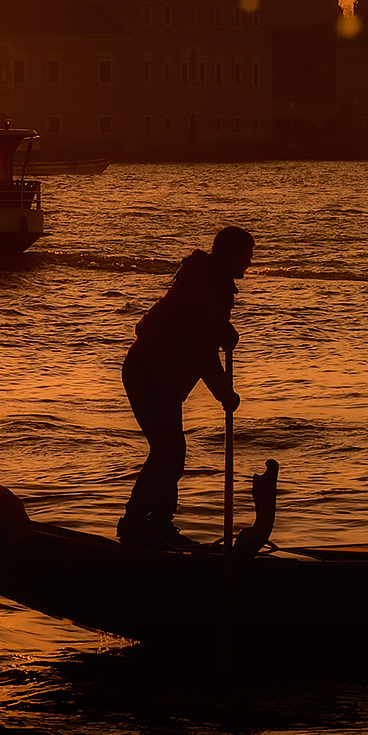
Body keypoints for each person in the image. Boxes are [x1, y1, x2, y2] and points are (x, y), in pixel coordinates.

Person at [118, 224, 254, 549]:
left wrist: (225, 329)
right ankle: (137, 524)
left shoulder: (209, 283)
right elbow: (201, 351)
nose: (249, 263)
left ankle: (159, 524)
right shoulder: (208, 284)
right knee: (168, 449)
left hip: (159, 374)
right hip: (151, 372)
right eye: (246, 256)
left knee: (172, 451)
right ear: (230, 255)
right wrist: (225, 393)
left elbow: (201, 324)